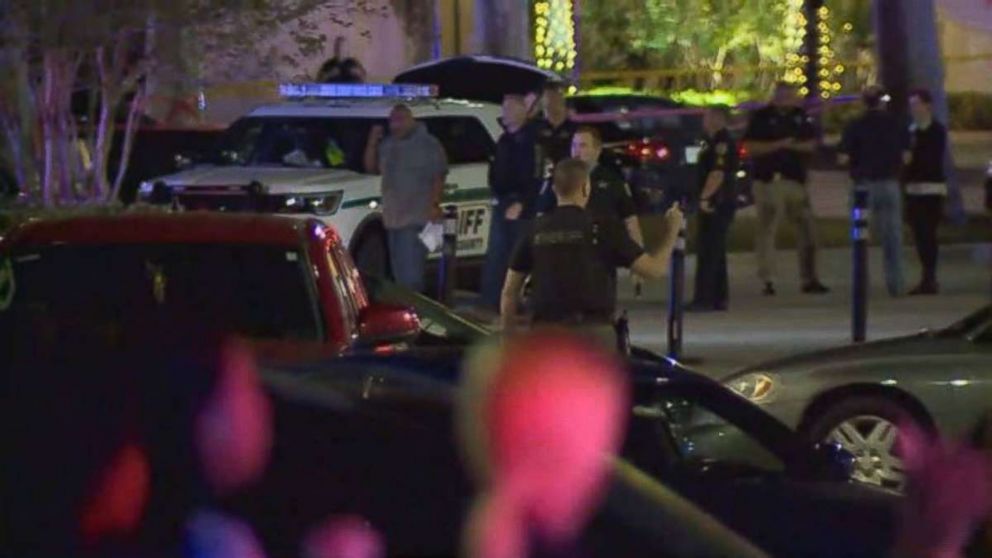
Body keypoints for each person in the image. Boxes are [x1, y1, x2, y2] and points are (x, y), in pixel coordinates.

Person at [499, 158, 682, 346]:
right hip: (593, 335)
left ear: (554, 190)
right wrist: (672, 232)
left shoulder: (534, 230)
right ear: (586, 188)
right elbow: (653, 270)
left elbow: (509, 292)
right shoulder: (604, 227)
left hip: (546, 337)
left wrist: (509, 341)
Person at [743, 82, 829, 296]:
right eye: (782, 95)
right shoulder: (761, 117)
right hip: (768, 182)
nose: (786, 99)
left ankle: (810, 278)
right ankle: (768, 279)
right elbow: (751, 147)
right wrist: (779, 144)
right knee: (767, 229)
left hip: (795, 182)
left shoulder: (802, 117)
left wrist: (791, 145)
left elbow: (811, 145)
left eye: (790, 95)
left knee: (807, 229)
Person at [364, 104, 448, 292]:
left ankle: (416, 312)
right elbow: (372, 168)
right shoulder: (388, 145)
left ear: (412, 120)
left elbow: (439, 176)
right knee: (400, 274)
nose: (396, 126)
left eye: (400, 120)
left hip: (416, 218)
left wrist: (434, 205)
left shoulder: (428, 144)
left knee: (411, 275)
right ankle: (408, 310)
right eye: (392, 121)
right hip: (393, 219)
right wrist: (372, 142)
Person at [839, 86, 911, 297]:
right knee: (893, 236)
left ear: (864, 102)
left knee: (859, 236)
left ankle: (860, 286)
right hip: (889, 183)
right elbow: (907, 156)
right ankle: (896, 285)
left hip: (862, 188)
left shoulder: (854, 125)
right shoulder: (897, 124)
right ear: (882, 102)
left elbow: (842, 157)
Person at [481, 94, 543, 310]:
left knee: (518, 258)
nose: (504, 113)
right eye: (503, 108)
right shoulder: (504, 140)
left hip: (520, 206)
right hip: (502, 202)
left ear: (521, 111)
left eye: (509, 109)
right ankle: (491, 304)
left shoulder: (532, 141)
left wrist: (522, 204)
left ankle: (518, 304)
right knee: (497, 256)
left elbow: (536, 177)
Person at [688, 105, 740, 312]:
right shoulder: (710, 141)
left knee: (708, 250)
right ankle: (719, 297)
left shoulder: (721, 143)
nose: (704, 120)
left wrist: (704, 198)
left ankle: (705, 298)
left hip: (717, 202)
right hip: (718, 201)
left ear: (719, 118)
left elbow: (717, 174)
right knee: (716, 252)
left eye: (708, 116)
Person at [904, 89, 949, 295]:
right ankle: (927, 277)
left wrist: (911, 158)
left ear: (928, 105)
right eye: (911, 105)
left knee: (928, 233)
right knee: (919, 234)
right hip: (913, 189)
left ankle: (930, 277)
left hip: (931, 188)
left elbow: (929, 158)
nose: (914, 109)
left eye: (917, 104)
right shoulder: (910, 131)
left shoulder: (936, 131)